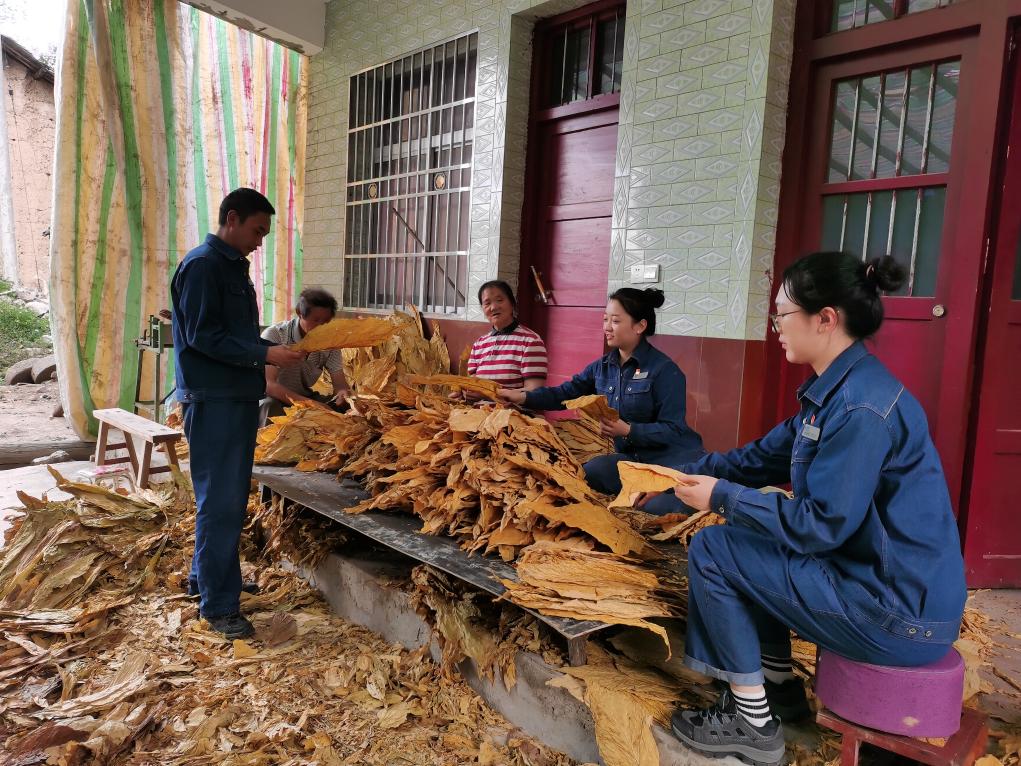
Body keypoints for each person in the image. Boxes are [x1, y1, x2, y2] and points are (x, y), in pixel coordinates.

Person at [652, 252, 966, 766]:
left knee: (714, 548)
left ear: (825, 319)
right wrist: (670, 477)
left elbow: (820, 527)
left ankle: (752, 723)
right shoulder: (837, 391)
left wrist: (721, 497)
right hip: (881, 589)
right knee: (753, 536)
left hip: (896, 615)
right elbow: (758, 459)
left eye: (782, 314)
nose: (775, 327)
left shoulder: (861, 409)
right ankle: (778, 687)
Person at [171, 187, 304, 640]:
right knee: (222, 502)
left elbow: (230, 333)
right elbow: (202, 336)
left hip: (233, 397)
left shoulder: (230, 266)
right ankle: (219, 606)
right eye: (257, 231)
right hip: (215, 399)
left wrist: (266, 352)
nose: (260, 241)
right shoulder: (204, 266)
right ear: (232, 219)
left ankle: (206, 580)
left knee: (224, 499)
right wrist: (265, 354)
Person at [500, 287, 704, 514]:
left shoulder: (665, 370)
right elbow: (565, 393)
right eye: (605, 319)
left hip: (671, 460)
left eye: (615, 321)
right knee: (589, 473)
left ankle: (675, 494)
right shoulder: (602, 367)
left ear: (639, 326)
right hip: (633, 461)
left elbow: (674, 430)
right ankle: (639, 491)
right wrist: (523, 396)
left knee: (658, 508)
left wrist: (629, 431)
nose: (606, 327)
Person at [260, 287, 349, 422]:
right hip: (274, 397)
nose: (321, 327)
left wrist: (343, 394)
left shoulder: (330, 343)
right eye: (315, 320)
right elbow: (269, 385)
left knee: (348, 407)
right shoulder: (275, 335)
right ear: (300, 313)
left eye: (326, 322)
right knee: (269, 406)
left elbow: (340, 384)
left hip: (304, 395)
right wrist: (312, 405)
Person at [466, 280, 548, 391]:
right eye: (487, 303)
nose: (493, 307)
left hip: (513, 404)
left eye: (499, 300)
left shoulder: (531, 341)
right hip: (478, 403)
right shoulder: (479, 344)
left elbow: (534, 391)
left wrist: (491, 394)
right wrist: (463, 393)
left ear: (512, 303)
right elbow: (472, 385)